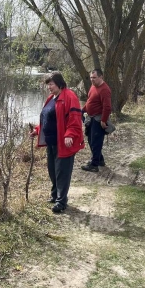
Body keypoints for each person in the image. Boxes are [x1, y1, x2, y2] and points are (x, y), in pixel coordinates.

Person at [30, 73, 84, 213]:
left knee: (62, 172)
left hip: (64, 143)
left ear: (59, 83)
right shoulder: (51, 98)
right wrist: (37, 130)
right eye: (48, 84)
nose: (49, 87)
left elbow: (75, 119)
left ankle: (61, 201)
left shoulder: (69, 97)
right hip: (51, 142)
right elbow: (47, 118)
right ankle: (55, 195)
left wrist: (70, 134)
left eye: (51, 84)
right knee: (53, 171)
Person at [81, 69, 112, 173]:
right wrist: (83, 109)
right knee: (90, 139)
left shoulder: (105, 89)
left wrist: (103, 121)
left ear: (101, 77)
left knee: (96, 142)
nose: (92, 80)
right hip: (91, 117)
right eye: (91, 77)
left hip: (98, 119)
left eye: (94, 78)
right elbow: (90, 101)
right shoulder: (93, 86)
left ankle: (94, 165)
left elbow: (107, 107)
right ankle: (100, 160)